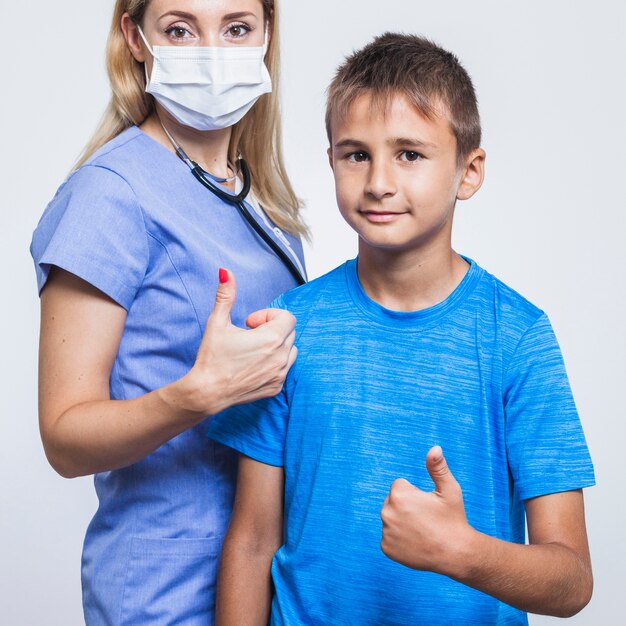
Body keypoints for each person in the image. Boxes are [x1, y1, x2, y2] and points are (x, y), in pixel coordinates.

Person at [208, 33, 595, 625]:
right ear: (331, 159)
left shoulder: (517, 338)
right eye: (356, 154)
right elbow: (252, 541)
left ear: (469, 171)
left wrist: (461, 551)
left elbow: (570, 581)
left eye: (409, 154)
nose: (379, 181)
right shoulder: (289, 325)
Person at [30, 0, 306, 624]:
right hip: (167, 589)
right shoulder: (110, 195)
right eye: (180, 30)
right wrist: (195, 395)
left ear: (267, 35)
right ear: (135, 36)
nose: (213, 52)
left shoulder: (262, 204)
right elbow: (64, 439)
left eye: (238, 28)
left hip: (270, 584)